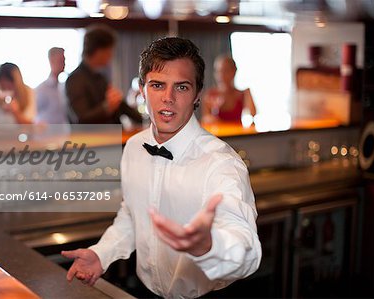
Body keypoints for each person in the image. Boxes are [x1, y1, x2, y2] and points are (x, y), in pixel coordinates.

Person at [61, 37, 261, 298]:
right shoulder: (133, 148)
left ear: (197, 94)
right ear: (143, 89)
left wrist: (210, 246)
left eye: (181, 87)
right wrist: (102, 254)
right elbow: (132, 215)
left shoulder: (221, 164)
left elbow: (247, 249)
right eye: (157, 85)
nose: (168, 98)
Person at [65, 24, 142, 125]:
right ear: (99, 51)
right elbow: (81, 119)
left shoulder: (100, 77)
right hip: (93, 139)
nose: (111, 55)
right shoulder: (75, 79)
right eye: (110, 50)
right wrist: (107, 107)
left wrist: (146, 120)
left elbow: (120, 105)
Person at [202, 54, 256, 124]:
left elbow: (252, 114)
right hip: (219, 134)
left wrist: (248, 94)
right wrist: (214, 110)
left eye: (226, 70)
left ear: (234, 71)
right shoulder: (210, 95)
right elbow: (205, 120)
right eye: (218, 71)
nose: (221, 75)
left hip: (238, 134)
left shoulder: (243, 94)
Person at [35, 47, 69, 124]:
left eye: (64, 60)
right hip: (47, 134)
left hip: (62, 133)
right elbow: (34, 113)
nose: (64, 64)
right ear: (51, 61)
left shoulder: (62, 87)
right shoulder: (42, 89)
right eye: (61, 60)